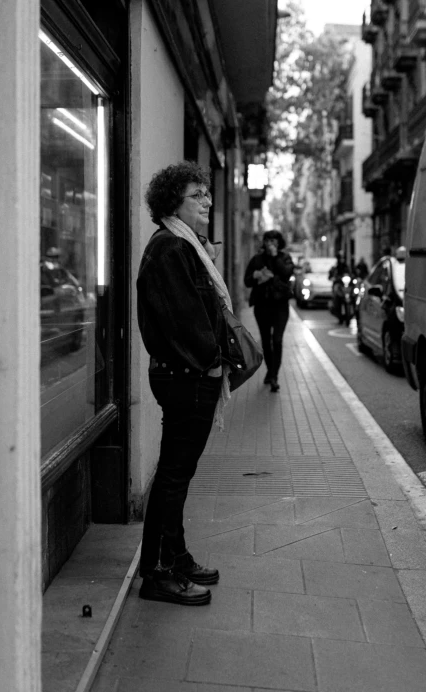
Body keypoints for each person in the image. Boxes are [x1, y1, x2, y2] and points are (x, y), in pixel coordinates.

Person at [136, 161, 243, 606]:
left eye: (207, 194)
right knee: (173, 476)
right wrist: (213, 362)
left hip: (189, 376)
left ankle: (174, 557)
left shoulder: (185, 246)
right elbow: (186, 321)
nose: (208, 201)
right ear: (173, 202)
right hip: (186, 377)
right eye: (198, 195)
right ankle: (158, 572)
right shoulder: (169, 248)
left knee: (176, 474)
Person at [244, 230, 294, 393]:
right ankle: (271, 372)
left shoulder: (284, 258)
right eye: (268, 240)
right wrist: (257, 275)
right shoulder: (257, 259)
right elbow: (247, 281)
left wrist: (275, 258)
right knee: (266, 340)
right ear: (264, 242)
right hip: (262, 305)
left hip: (280, 306)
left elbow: (287, 273)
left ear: (279, 243)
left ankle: (274, 376)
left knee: (277, 340)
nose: (271, 243)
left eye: (274, 241)